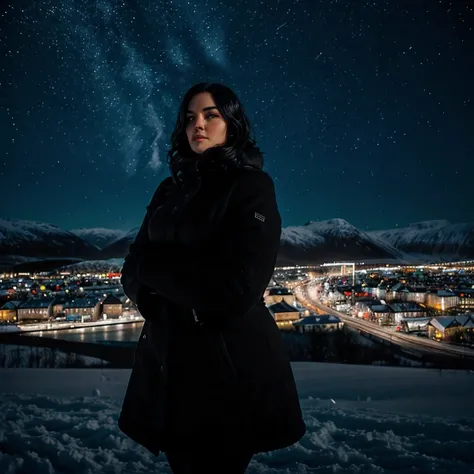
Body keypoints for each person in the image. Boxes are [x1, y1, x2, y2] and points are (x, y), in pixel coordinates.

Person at [118, 82, 306, 473]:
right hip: (168, 361)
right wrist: (154, 298)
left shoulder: (251, 186)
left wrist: (157, 273)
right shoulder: (170, 189)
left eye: (210, 114)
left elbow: (237, 289)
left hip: (226, 364)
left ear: (232, 124)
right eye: (189, 118)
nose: (197, 125)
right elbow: (133, 266)